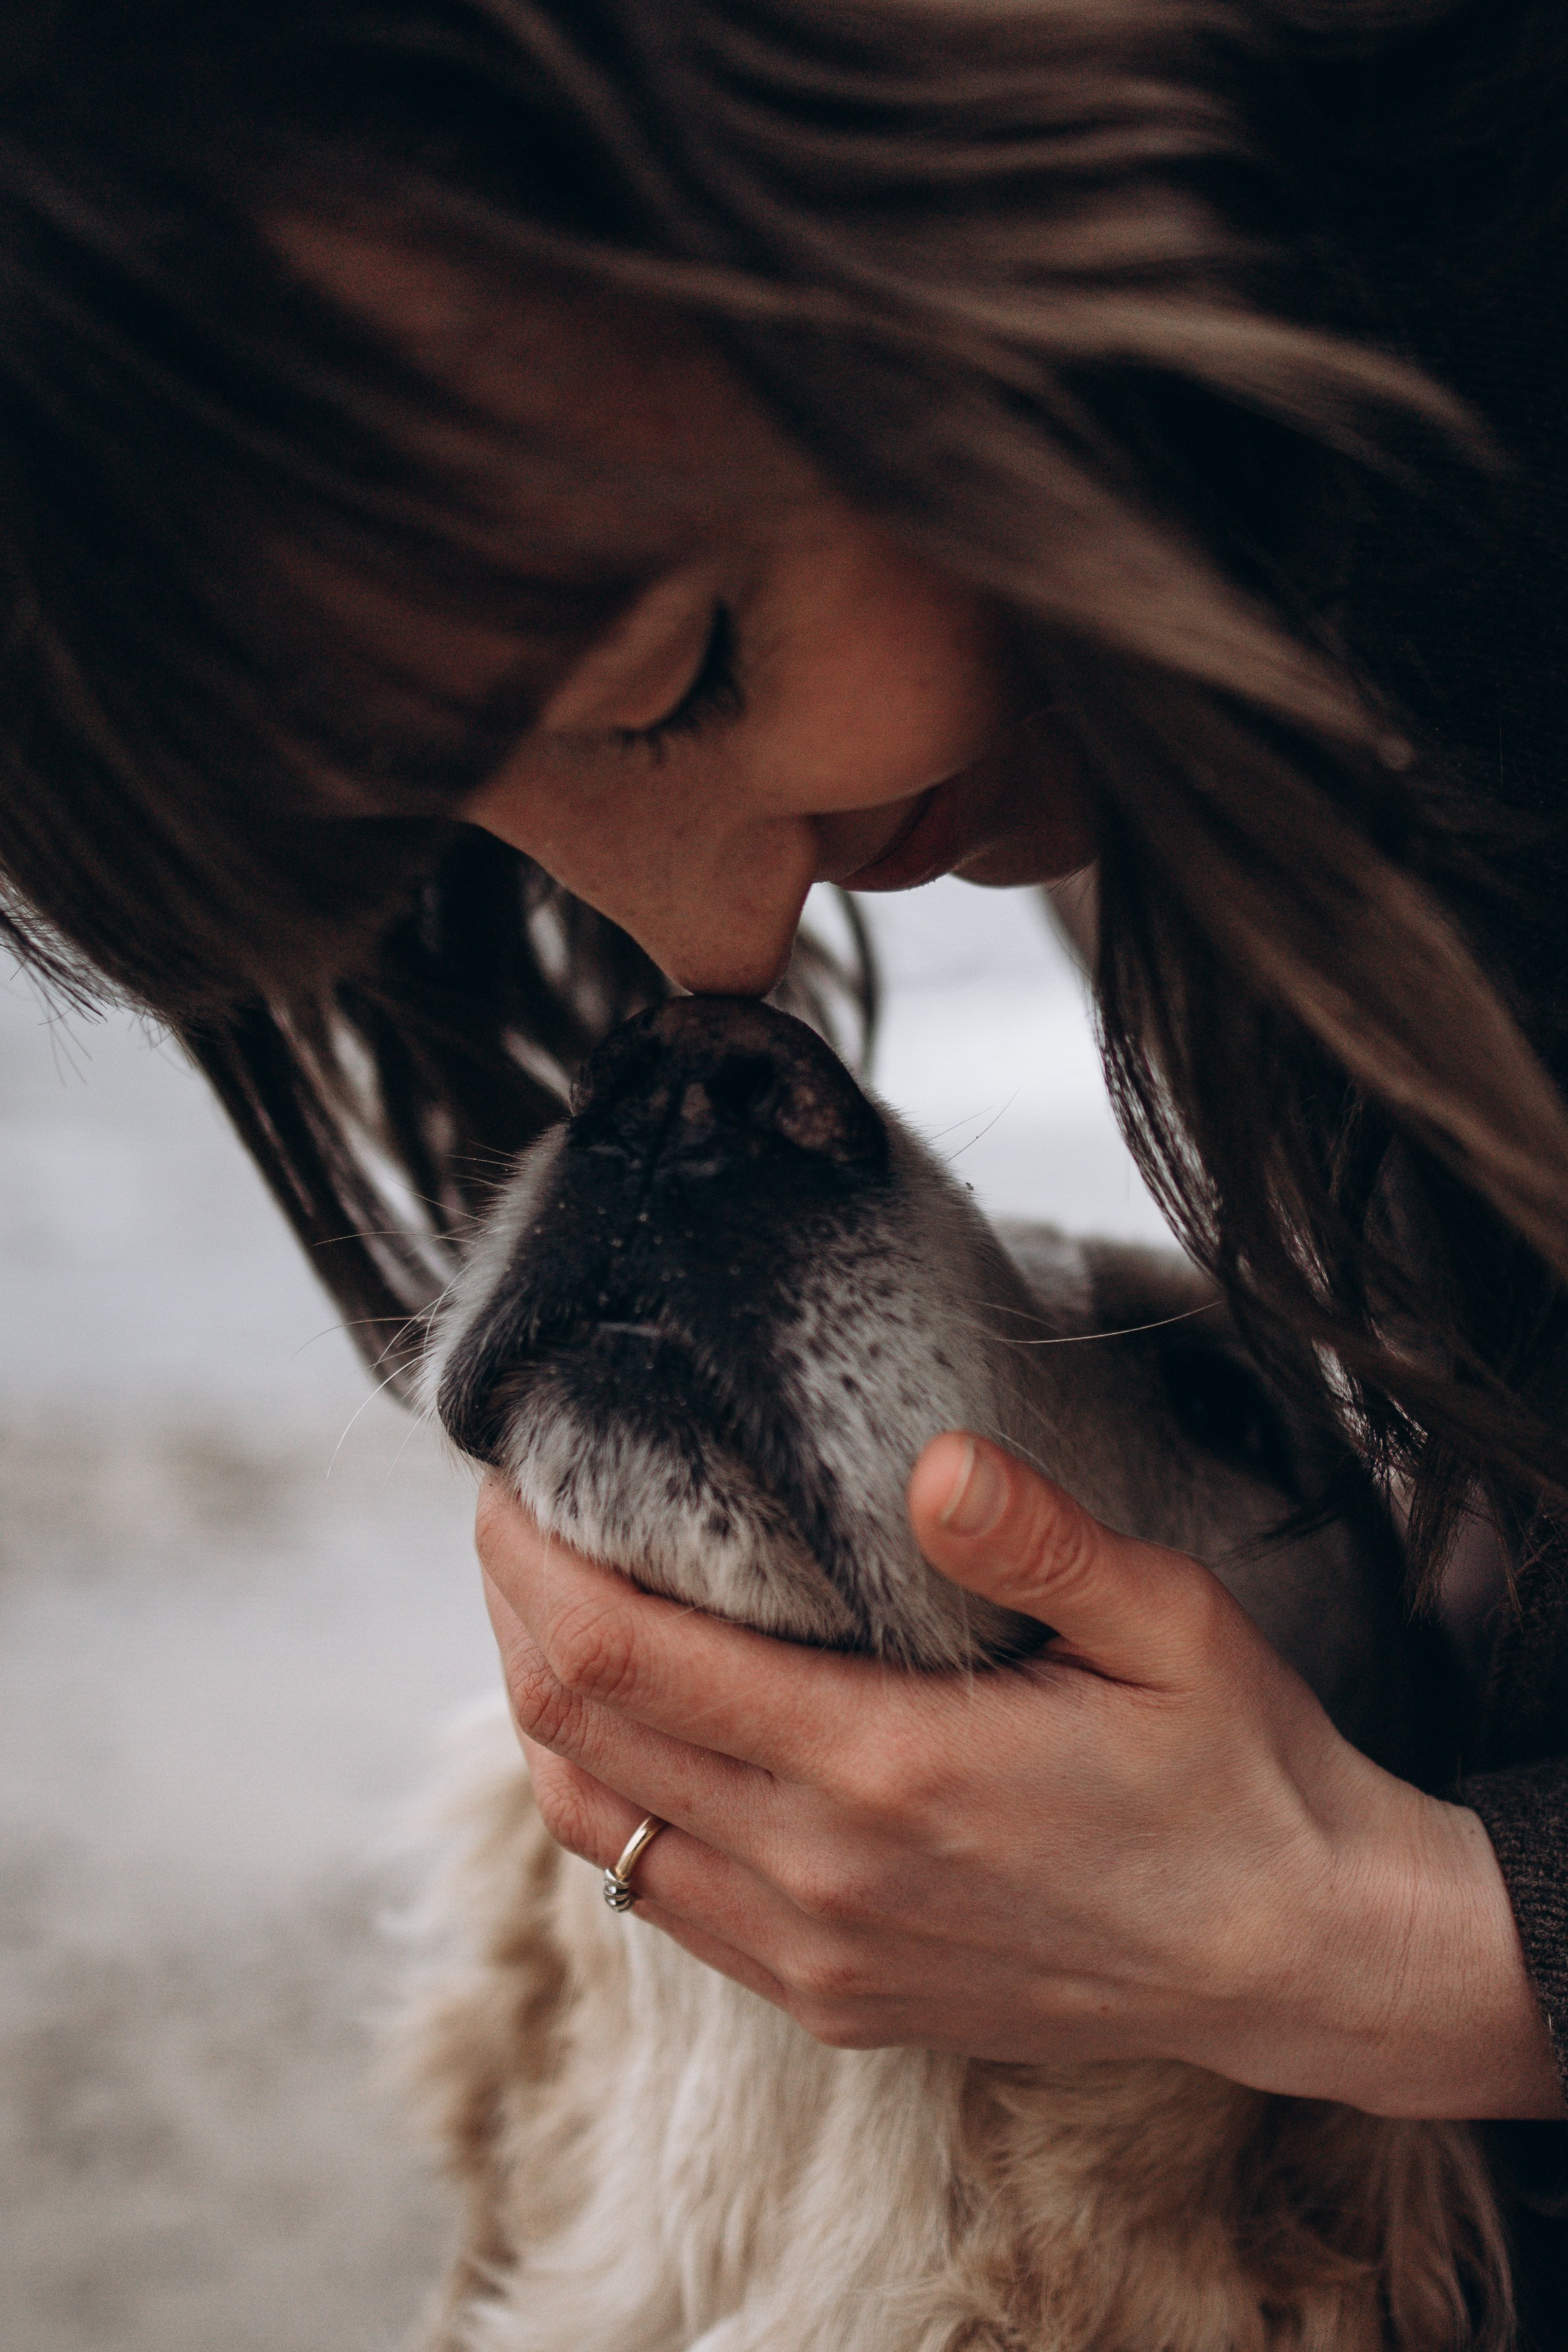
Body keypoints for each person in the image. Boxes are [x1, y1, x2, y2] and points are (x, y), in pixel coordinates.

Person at [5, 0, 1568, 2329]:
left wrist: (1386, 1940)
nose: (709, 977)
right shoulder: (1131, 681)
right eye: (460, 802)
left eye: (674, 673)